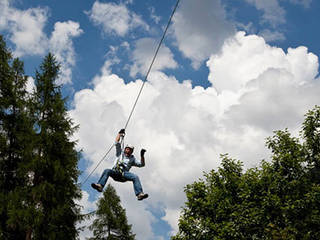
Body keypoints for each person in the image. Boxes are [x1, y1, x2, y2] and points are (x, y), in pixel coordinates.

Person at [91, 129, 149, 201]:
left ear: (131, 152)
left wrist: (142, 155)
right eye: (127, 149)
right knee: (107, 171)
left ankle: (139, 194)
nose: (128, 151)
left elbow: (142, 164)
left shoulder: (132, 159)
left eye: (130, 150)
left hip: (124, 174)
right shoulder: (120, 153)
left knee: (135, 177)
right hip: (116, 172)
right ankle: (100, 186)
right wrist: (119, 133)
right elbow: (116, 143)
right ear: (125, 149)